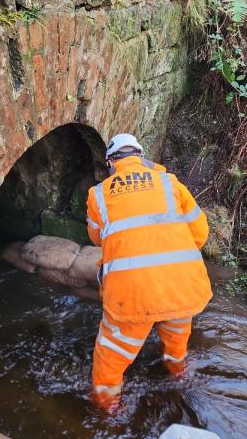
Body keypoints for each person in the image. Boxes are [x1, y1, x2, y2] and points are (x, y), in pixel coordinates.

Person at [86, 133, 212, 410]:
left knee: (111, 358)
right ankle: (180, 377)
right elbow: (200, 234)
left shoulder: (98, 194)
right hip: (182, 290)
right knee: (177, 346)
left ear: (110, 162)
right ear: (141, 158)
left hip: (132, 297)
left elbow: (97, 239)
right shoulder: (170, 183)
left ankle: (108, 412)